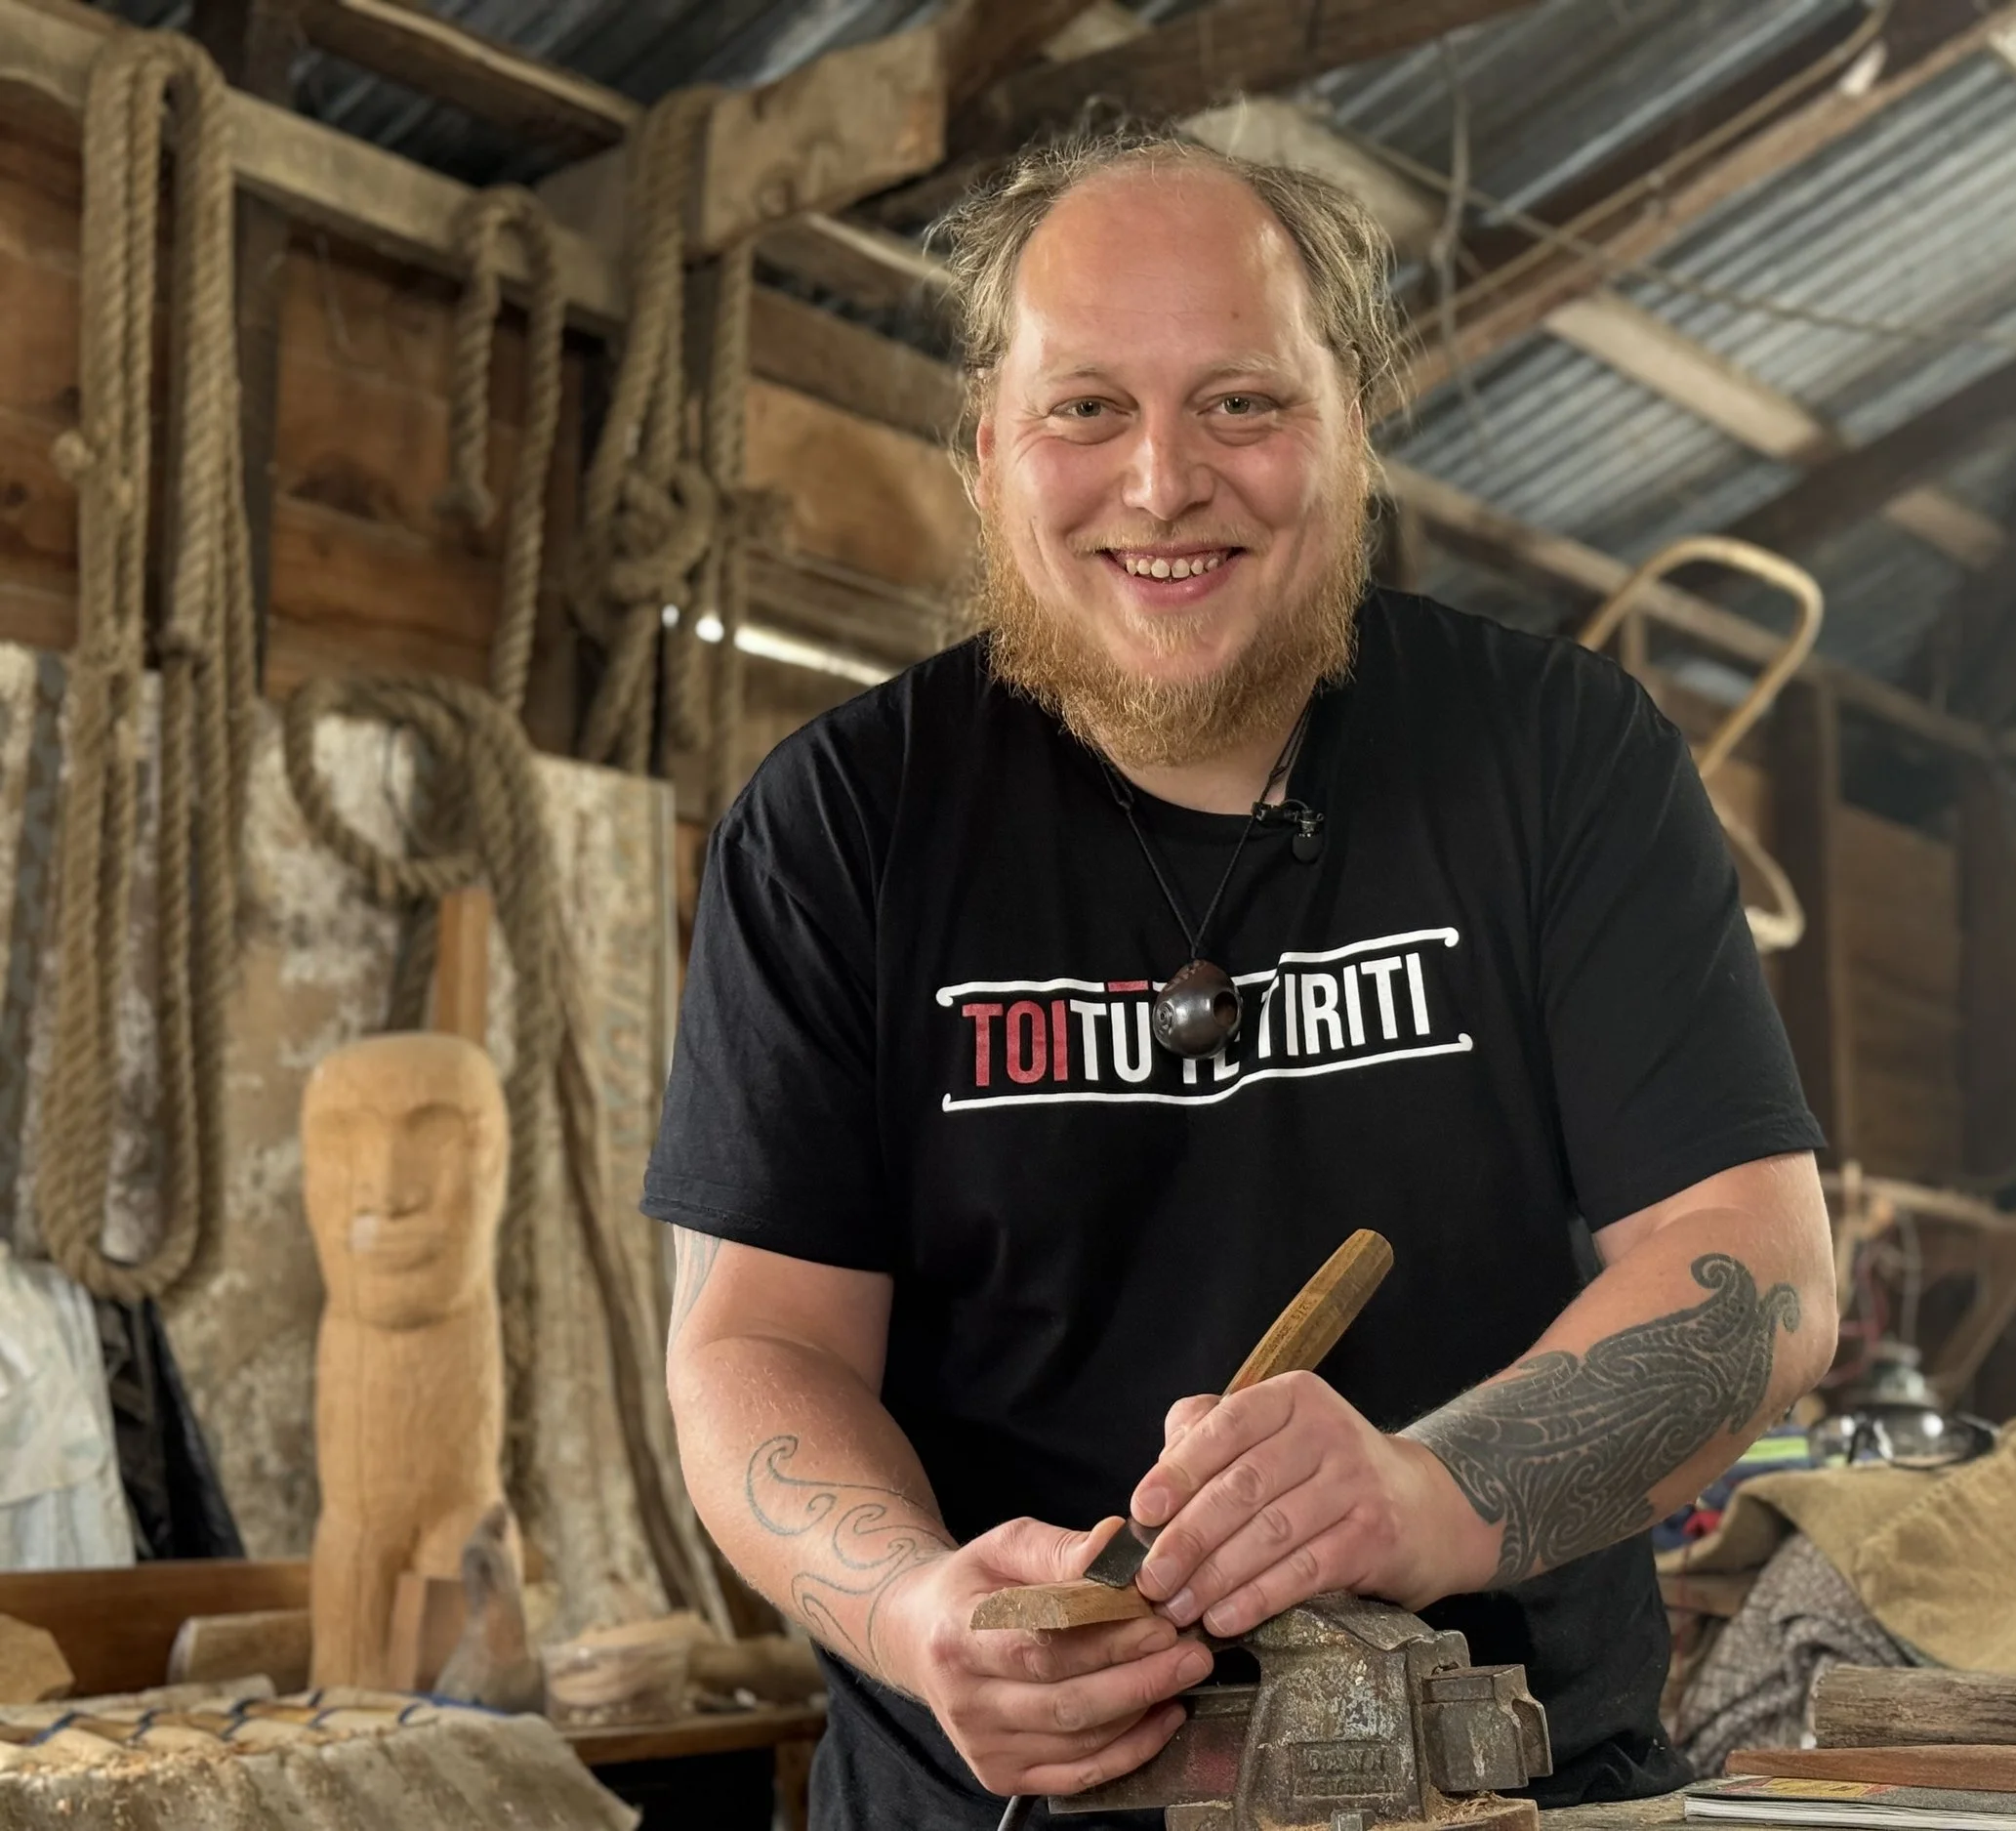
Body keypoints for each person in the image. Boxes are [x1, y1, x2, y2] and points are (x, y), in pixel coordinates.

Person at [644, 128, 1837, 1828]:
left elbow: (1759, 1265)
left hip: (1513, 1791)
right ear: (986, 450)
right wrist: (918, 1612)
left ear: (1350, 428)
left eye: (1242, 402)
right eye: (1085, 408)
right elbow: (753, 1345)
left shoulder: (1561, 756)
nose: (1161, 483)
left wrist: (1425, 1492)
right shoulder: (837, 823)